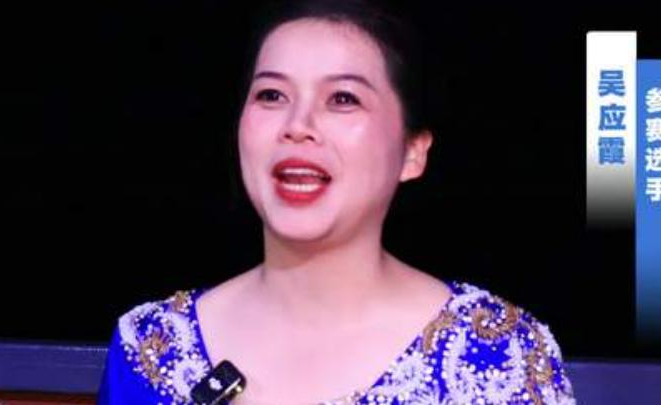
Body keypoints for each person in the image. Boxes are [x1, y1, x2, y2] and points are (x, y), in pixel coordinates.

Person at [98, 1, 576, 403]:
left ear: (413, 152)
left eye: (343, 99)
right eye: (271, 95)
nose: (297, 125)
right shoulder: (151, 346)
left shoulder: (500, 352)